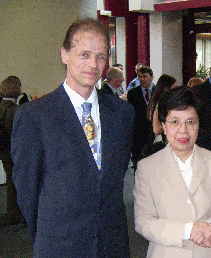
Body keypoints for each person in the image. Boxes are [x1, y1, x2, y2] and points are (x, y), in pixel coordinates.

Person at [11, 18, 135, 257]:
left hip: (112, 245)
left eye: (101, 56)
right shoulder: (34, 116)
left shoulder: (122, 114)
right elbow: (26, 190)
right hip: (59, 245)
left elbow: (114, 175)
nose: (93, 64)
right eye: (84, 55)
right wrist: (49, 235)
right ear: (64, 54)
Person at [134, 86, 211, 258]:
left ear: (199, 124)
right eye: (174, 122)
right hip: (167, 252)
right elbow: (143, 222)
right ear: (163, 125)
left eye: (190, 122)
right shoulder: (147, 167)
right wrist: (188, 231)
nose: (183, 131)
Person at [0, 76, 25, 225]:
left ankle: (12, 214)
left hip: (4, 149)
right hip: (12, 150)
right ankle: (16, 214)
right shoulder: (14, 110)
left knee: (11, 182)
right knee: (16, 183)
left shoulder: (2, 106)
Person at [139, 74, 177, 160]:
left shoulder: (156, 102)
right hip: (160, 145)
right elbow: (156, 130)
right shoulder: (160, 104)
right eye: (174, 88)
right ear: (166, 88)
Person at [127, 66, 155, 169]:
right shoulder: (133, 93)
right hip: (139, 136)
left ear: (152, 77)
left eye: (145, 76)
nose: (142, 79)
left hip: (154, 136)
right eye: (140, 77)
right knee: (139, 167)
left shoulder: (158, 92)